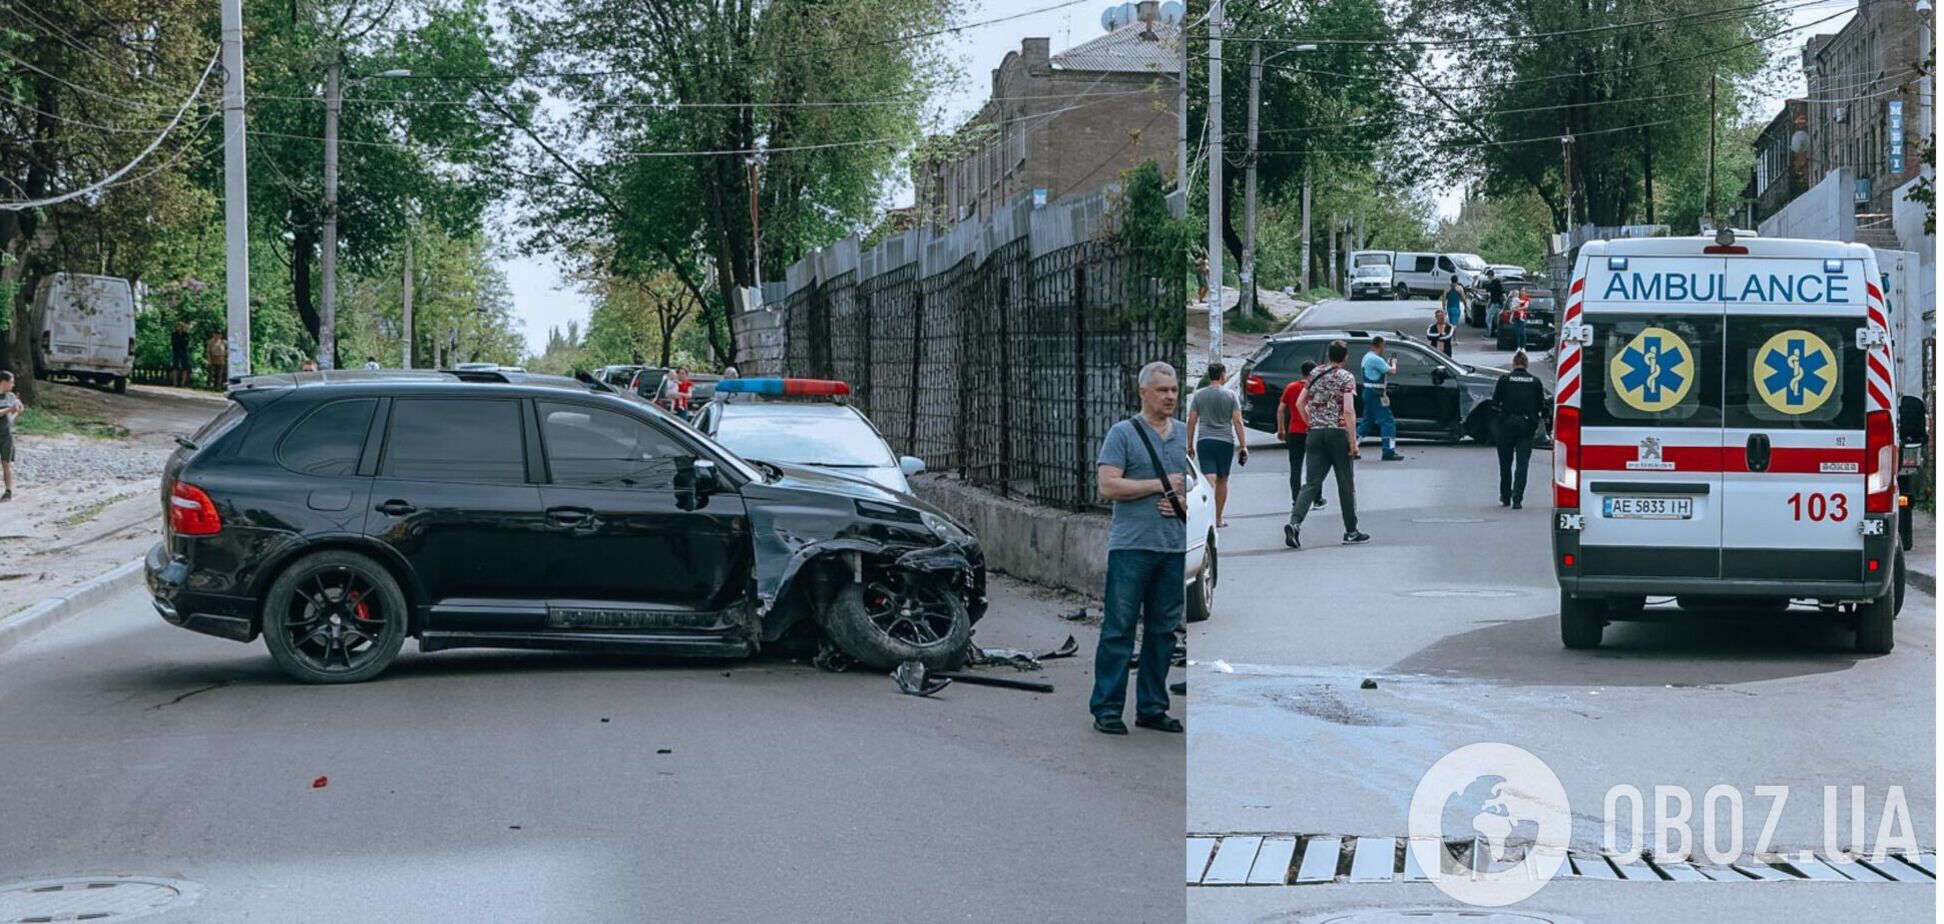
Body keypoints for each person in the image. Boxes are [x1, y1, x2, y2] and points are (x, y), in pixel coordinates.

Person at [1091, 361, 1186, 736]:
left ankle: (1152, 707)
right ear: (1143, 393)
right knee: (1119, 629)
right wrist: (1156, 487)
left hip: (1173, 549)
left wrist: (1183, 502)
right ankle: (1107, 708)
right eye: (1162, 390)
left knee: (1163, 632)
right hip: (1131, 547)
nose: (1170, 397)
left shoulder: (1183, 435)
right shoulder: (1123, 434)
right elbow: (1108, 486)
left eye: (1175, 390)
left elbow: (1199, 488)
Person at [1285, 341, 1369, 548]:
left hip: (1315, 433)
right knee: (1345, 484)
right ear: (1345, 357)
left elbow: (1299, 403)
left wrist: (1311, 423)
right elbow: (1348, 410)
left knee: (1311, 482)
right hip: (1338, 433)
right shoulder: (1346, 377)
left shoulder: (1313, 374)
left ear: (1329, 355)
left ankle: (1295, 523)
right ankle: (1351, 530)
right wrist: (1353, 441)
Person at [1185, 363, 1246, 527]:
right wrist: (1243, 445)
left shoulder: (1198, 395)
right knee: (1223, 480)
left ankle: (1204, 517)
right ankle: (1218, 518)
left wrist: (1189, 444)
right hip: (1225, 441)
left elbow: (1191, 421)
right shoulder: (1231, 396)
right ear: (1222, 375)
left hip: (1204, 441)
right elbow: (1237, 421)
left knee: (1208, 479)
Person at [1493, 350, 1547, 509]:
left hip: (1507, 425)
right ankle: (1517, 499)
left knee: (1505, 463)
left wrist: (1501, 418)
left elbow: (1495, 403)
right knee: (1522, 464)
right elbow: (1541, 405)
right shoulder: (1535, 381)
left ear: (1514, 364)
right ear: (1526, 364)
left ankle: (1505, 496)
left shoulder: (1504, 379)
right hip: (1526, 426)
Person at [1275, 360, 1325, 514]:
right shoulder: (1316, 388)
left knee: (1295, 467)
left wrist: (1281, 428)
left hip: (1295, 431)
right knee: (1315, 466)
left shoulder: (1291, 387)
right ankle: (1317, 498)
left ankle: (1296, 500)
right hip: (1313, 430)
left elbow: (1281, 409)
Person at [1356, 336, 1403, 461]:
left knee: (1367, 421)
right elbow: (1391, 371)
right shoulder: (1375, 359)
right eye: (1384, 346)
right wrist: (1393, 363)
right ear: (1380, 345)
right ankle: (1388, 450)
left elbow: (1379, 370)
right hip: (1376, 393)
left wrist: (1386, 364)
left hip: (1369, 391)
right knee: (1388, 421)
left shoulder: (1367, 357)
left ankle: (1351, 446)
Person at [0, 371, 20, 502]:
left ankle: (8, 491)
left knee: (6, 463)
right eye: (11, 382)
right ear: (4, 381)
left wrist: (14, 413)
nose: (13, 385)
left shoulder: (11, 396)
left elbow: (18, 408)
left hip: (6, 435)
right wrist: (9, 409)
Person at [1482, 269, 1506, 340]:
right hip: (1497, 303)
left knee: (1488, 318)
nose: (1487, 277)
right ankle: (1499, 333)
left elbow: (1488, 289)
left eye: (1488, 276)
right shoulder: (1497, 282)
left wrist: (1489, 283)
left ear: (1490, 275)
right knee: (1497, 320)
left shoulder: (1494, 282)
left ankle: (1488, 334)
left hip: (1495, 303)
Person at [170, 321, 193, 388]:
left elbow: (186, 343)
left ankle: (183, 383)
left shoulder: (186, 334)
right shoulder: (174, 334)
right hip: (176, 351)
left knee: (185, 367)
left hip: (184, 351)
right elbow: (173, 343)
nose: (180, 327)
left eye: (182, 326)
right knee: (175, 366)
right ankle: (175, 383)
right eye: (179, 326)